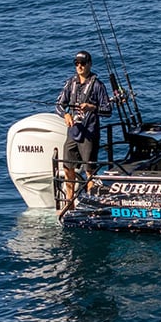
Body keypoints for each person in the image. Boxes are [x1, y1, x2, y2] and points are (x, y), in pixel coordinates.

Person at [55, 50, 112, 215]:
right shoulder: (70, 83)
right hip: (73, 133)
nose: (79, 66)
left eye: (83, 63)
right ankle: (69, 202)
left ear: (90, 64)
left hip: (90, 134)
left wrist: (91, 108)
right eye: (77, 63)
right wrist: (66, 115)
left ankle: (90, 203)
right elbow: (59, 105)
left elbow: (108, 110)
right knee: (68, 167)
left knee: (89, 170)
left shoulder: (98, 85)